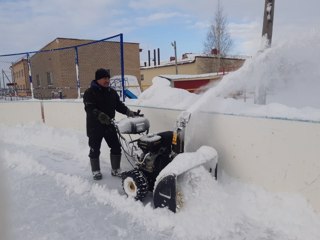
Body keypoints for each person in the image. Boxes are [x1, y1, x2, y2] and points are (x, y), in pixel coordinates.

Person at [83, 68, 136, 180]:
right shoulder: (89, 92)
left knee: (116, 147)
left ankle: (116, 169)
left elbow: (118, 105)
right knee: (94, 148)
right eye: (104, 78)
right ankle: (96, 171)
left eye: (108, 78)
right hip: (94, 126)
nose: (107, 80)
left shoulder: (111, 92)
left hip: (109, 125)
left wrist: (129, 112)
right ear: (98, 79)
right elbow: (89, 108)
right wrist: (100, 115)